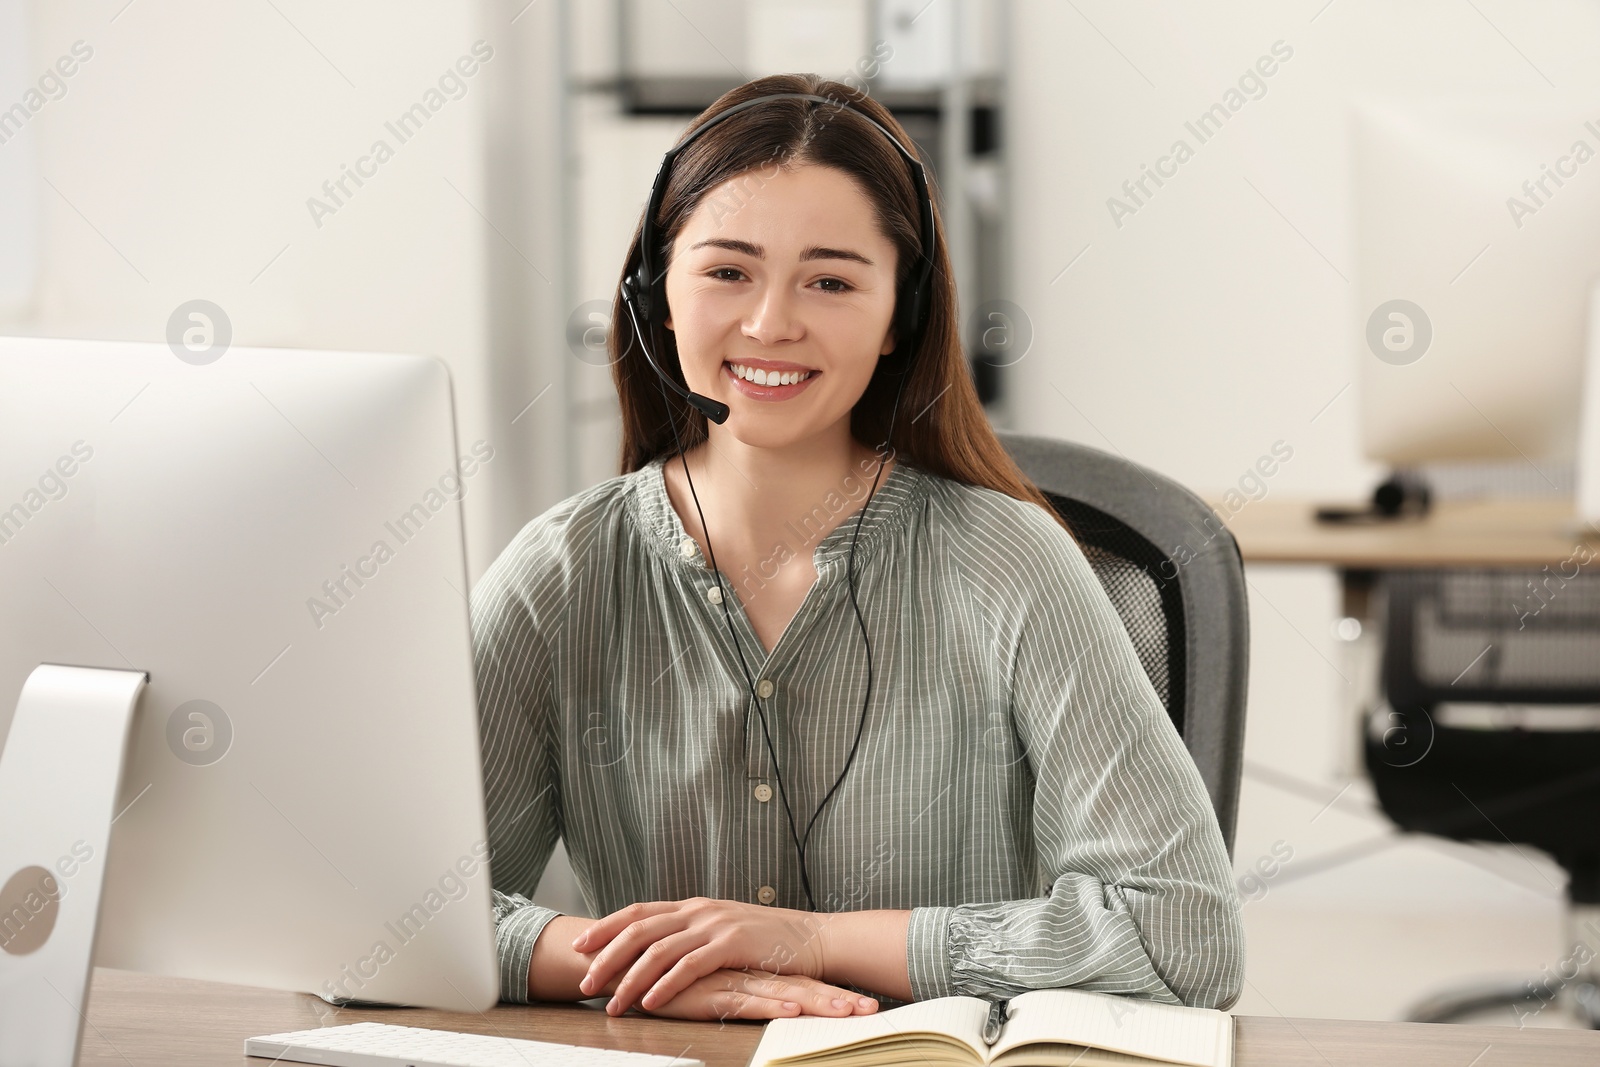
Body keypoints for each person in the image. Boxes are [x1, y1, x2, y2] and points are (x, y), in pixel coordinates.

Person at [472, 72, 1244, 1023]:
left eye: (831, 280)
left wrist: (815, 940)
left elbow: (1186, 940)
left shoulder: (1010, 565)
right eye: (727, 270)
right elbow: (395, 917)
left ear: (900, 318)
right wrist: (671, 969)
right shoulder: (561, 576)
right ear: (655, 293)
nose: (770, 323)